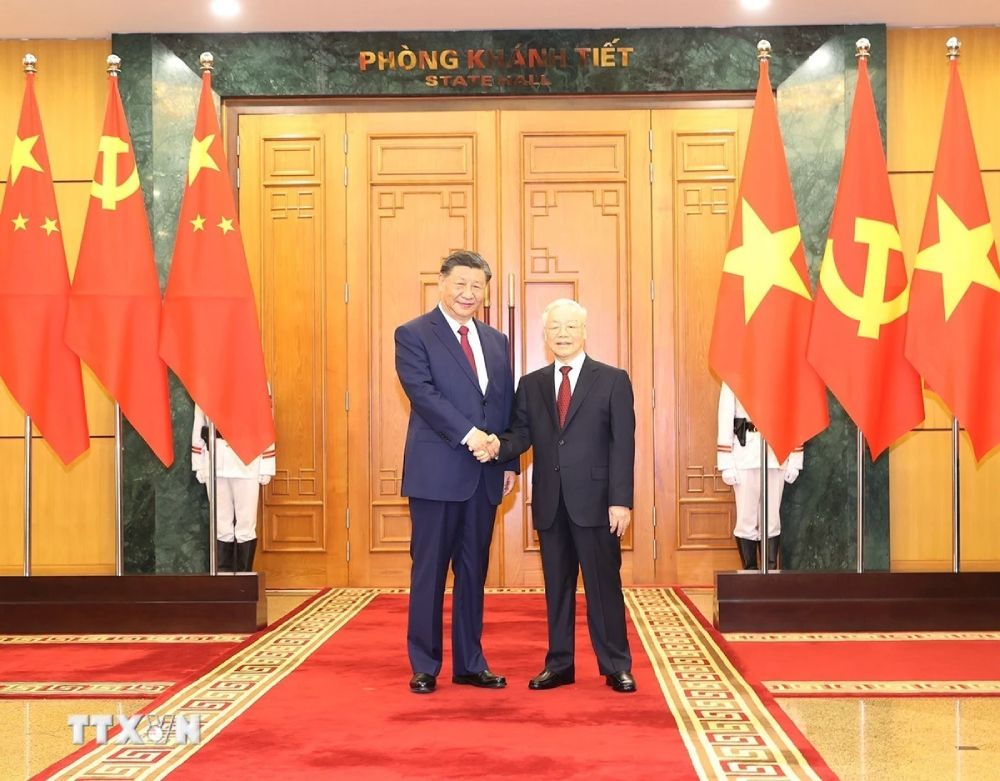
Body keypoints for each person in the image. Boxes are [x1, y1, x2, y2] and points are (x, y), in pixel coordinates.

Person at [476, 298, 636, 694]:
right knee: (557, 589)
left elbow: (623, 445)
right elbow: (522, 434)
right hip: (550, 503)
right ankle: (559, 663)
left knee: (604, 588)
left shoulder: (613, 379)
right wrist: (498, 446)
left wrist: (621, 501)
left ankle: (615, 665)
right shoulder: (531, 384)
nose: (562, 335)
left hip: (598, 504)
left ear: (583, 332)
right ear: (545, 336)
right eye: (554, 329)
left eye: (569, 327)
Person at [394, 249, 517, 695]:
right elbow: (423, 395)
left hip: (485, 476)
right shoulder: (413, 334)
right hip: (437, 473)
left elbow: (503, 405)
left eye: (477, 286)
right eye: (460, 284)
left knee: (473, 571)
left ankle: (470, 662)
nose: (468, 293)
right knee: (429, 571)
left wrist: (507, 460)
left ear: (485, 291)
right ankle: (425, 664)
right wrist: (471, 436)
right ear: (442, 283)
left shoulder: (497, 340)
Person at [716, 382, 802, 570]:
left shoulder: (782, 372)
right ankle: (750, 573)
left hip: (776, 453)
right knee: (746, 519)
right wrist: (726, 462)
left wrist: (796, 457)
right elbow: (725, 416)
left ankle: (769, 576)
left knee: (772, 520)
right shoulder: (735, 372)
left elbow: (795, 415)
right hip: (745, 454)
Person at [191, 404, 275, 573]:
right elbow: (199, 424)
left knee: (246, 526)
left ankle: (244, 582)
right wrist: (199, 462)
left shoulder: (257, 382)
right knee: (221, 526)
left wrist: (267, 463)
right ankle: (224, 582)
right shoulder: (207, 383)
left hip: (247, 460)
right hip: (215, 460)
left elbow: (266, 424)